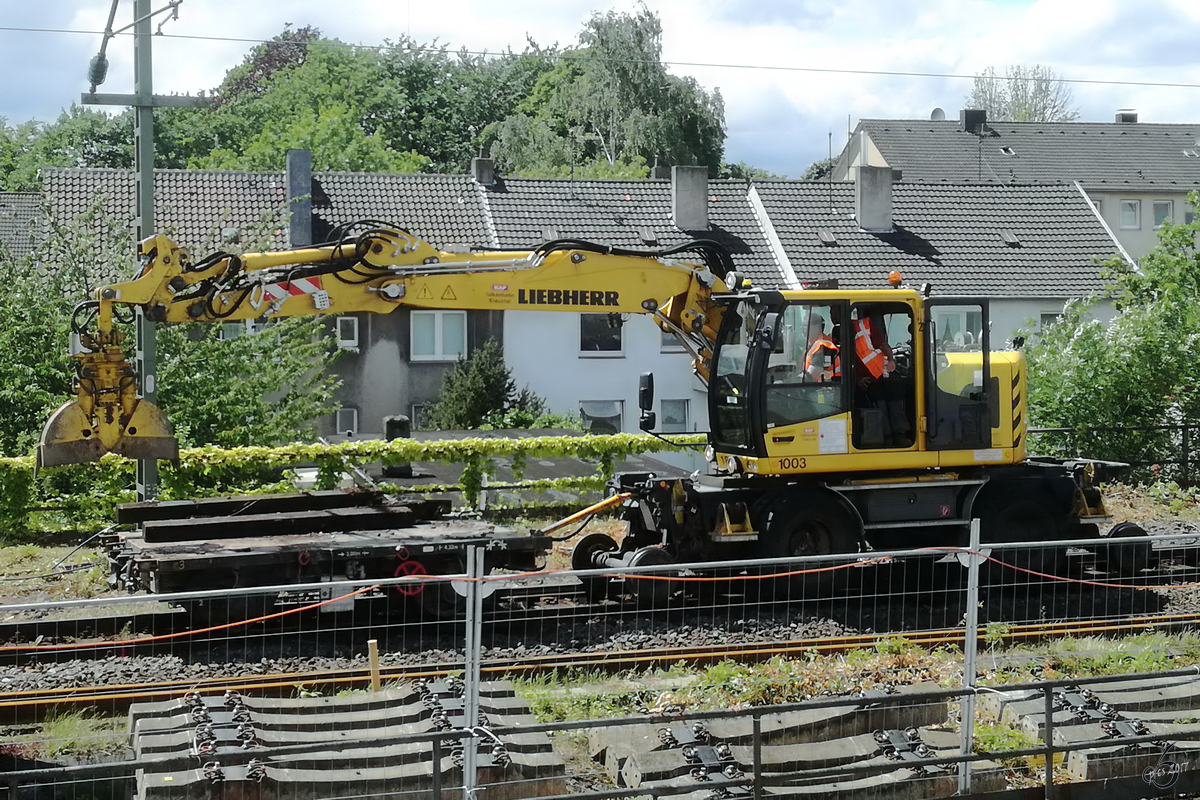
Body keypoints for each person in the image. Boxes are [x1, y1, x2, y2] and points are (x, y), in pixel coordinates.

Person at [803, 313, 841, 382]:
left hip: (830, 385)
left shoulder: (824, 347)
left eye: (805, 325)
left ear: (817, 328)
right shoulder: (811, 345)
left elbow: (810, 377)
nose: (802, 328)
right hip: (820, 384)